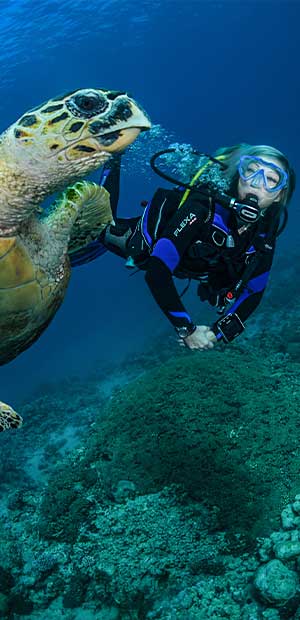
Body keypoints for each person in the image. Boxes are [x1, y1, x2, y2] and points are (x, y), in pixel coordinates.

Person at [70, 143, 296, 350]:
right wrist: (186, 330)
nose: (257, 183)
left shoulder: (265, 233)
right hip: (148, 247)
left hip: (198, 266)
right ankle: (112, 159)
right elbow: (157, 271)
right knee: (99, 227)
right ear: (239, 175)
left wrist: (217, 333)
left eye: (272, 180)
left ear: (279, 196)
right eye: (251, 170)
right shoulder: (202, 206)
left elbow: (254, 292)